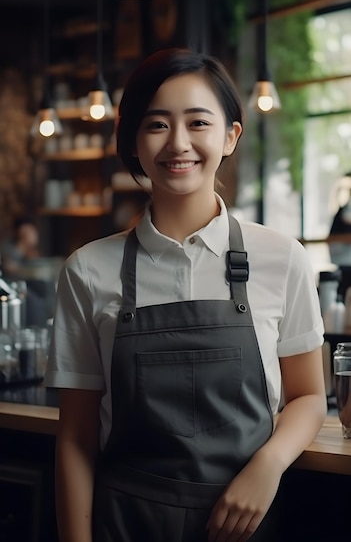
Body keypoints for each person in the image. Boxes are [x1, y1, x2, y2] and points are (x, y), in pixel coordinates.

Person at [44, 48, 327, 542]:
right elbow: (76, 436)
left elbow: (308, 396)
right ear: (132, 140)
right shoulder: (88, 271)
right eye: (156, 125)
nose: (179, 143)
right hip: (124, 524)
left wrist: (268, 466)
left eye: (198, 122)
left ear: (230, 136)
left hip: (246, 525)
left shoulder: (281, 257)